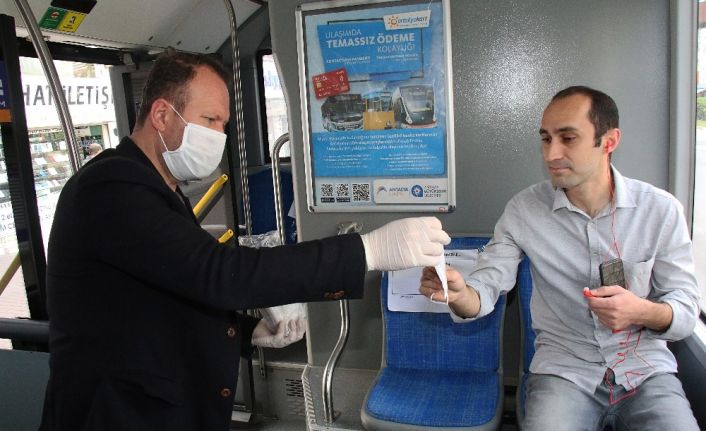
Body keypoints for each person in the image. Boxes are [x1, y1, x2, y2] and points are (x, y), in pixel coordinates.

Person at [39, 51, 450, 431]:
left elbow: (169, 292)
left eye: (223, 124)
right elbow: (216, 273)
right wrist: (367, 250)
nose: (219, 135)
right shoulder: (110, 187)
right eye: (210, 120)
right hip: (117, 414)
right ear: (161, 115)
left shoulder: (159, 187)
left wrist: (246, 330)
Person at [421, 86, 700, 430]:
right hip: (564, 371)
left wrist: (641, 311)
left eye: (568, 138)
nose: (552, 153)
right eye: (546, 139)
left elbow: (686, 309)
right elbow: (486, 287)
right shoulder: (524, 210)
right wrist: (459, 293)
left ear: (609, 141)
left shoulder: (660, 210)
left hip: (645, 370)